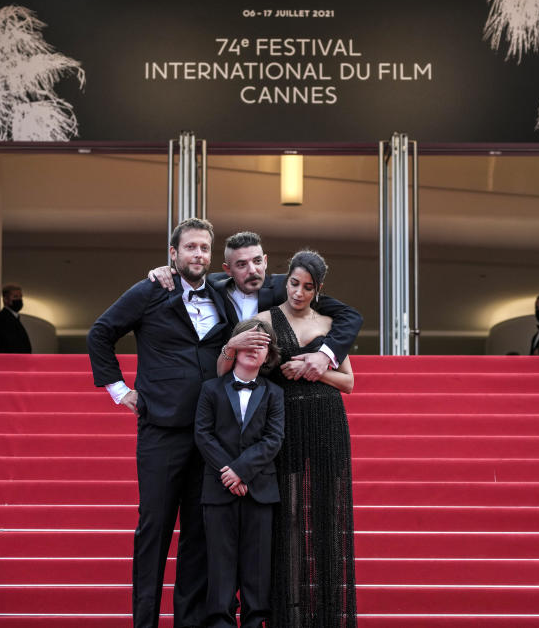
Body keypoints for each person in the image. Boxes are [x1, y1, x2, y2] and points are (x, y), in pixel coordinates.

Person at [87, 218, 231, 628]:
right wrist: (120, 390)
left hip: (210, 435)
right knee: (154, 531)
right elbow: (100, 333)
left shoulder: (223, 292)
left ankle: (189, 621)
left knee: (198, 537)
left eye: (204, 248)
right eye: (190, 248)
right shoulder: (151, 290)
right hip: (161, 432)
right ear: (173, 254)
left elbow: (260, 277)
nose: (198, 255)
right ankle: (144, 622)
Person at [229, 250, 356, 627]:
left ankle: (328, 616)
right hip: (284, 423)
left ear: (319, 289)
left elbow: (349, 382)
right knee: (285, 519)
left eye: (308, 287)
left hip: (328, 422)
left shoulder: (331, 323)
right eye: (294, 284)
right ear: (285, 282)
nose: (299, 292)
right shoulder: (264, 320)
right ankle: (287, 616)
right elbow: (243, 367)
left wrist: (312, 368)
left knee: (327, 517)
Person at [148, 230, 362, 380]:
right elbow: (186, 278)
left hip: (274, 387)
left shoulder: (287, 287)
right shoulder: (212, 286)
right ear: (227, 269)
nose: (252, 270)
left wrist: (325, 355)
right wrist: (165, 271)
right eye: (242, 264)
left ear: (266, 261)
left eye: (257, 261)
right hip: (221, 383)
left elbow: (350, 316)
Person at [195, 318, 285, 628]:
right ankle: (219, 621)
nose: (253, 349)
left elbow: (274, 438)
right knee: (220, 562)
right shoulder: (210, 389)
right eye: (248, 341)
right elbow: (203, 435)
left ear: (269, 356)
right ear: (234, 347)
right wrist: (229, 473)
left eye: (262, 345)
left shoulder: (275, 394)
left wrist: (242, 472)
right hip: (218, 489)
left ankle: (255, 621)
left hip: (259, 490)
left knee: (258, 565)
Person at [0, 284, 32, 353]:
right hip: (12, 360)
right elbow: (10, 344)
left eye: (20, 297)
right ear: (5, 299)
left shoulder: (14, 317)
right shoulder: (2, 318)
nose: (19, 300)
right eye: (15, 297)